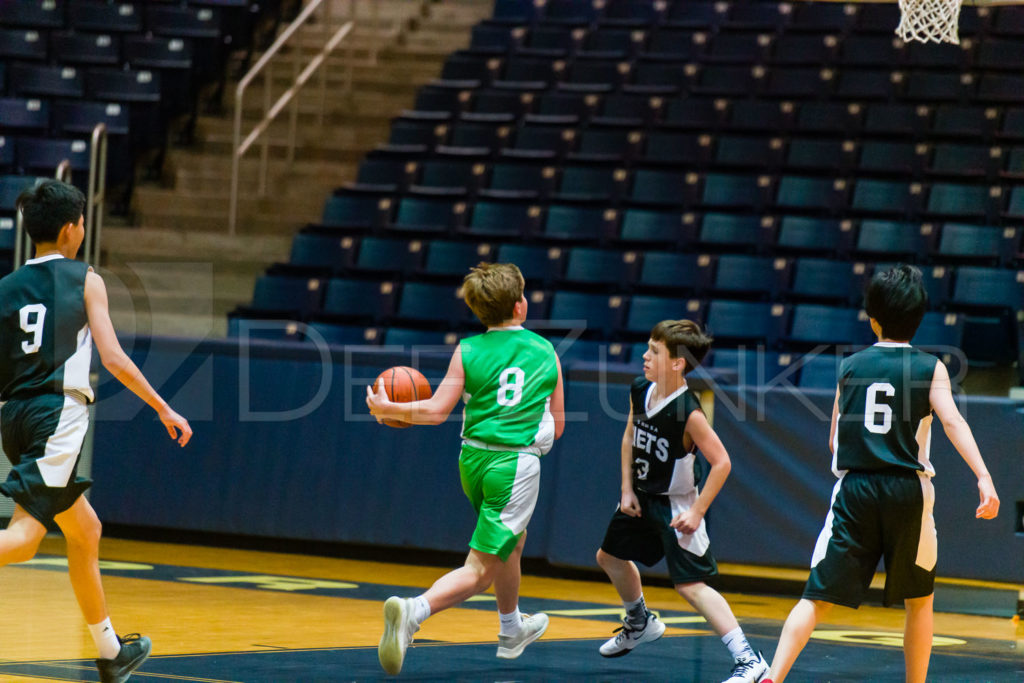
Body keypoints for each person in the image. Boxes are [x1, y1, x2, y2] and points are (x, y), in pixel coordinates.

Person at [761, 265, 1000, 683]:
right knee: (920, 599)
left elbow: (834, 441)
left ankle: (772, 677)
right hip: (908, 489)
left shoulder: (850, 366)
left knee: (816, 596)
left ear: (872, 316)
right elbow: (953, 423)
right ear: (920, 317)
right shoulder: (931, 367)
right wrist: (983, 476)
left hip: (856, 489)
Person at [0, 180, 192, 683]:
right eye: (83, 221)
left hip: (13, 418)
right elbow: (113, 358)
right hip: (55, 416)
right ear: (71, 229)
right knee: (22, 540)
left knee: (85, 531)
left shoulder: (5, 288)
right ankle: (109, 654)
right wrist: (163, 407)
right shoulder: (85, 278)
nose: (83, 229)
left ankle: (111, 653)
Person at [366, 262, 565, 676]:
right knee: (479, 571)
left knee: (512, 540)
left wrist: (389, 408)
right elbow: (558, 426)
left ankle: (511, 629)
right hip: (514, 466)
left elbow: (437, 412)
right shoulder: (545, 351)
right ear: (520, 305)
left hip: (472, 461)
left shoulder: (467, 349)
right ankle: (414, 611)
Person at [595, 319, 768, 683]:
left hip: (676, 504)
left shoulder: (688, 412)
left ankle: (749, 660)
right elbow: (629, 437)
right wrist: (626, 488)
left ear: (677, 363)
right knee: (609, 557)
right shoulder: (641, 388)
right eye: (647, 347)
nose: (644, 356)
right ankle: (639, 621)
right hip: (641, 496)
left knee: (691, 586)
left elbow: (722, 463)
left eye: (654, 351)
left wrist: (698, 510)